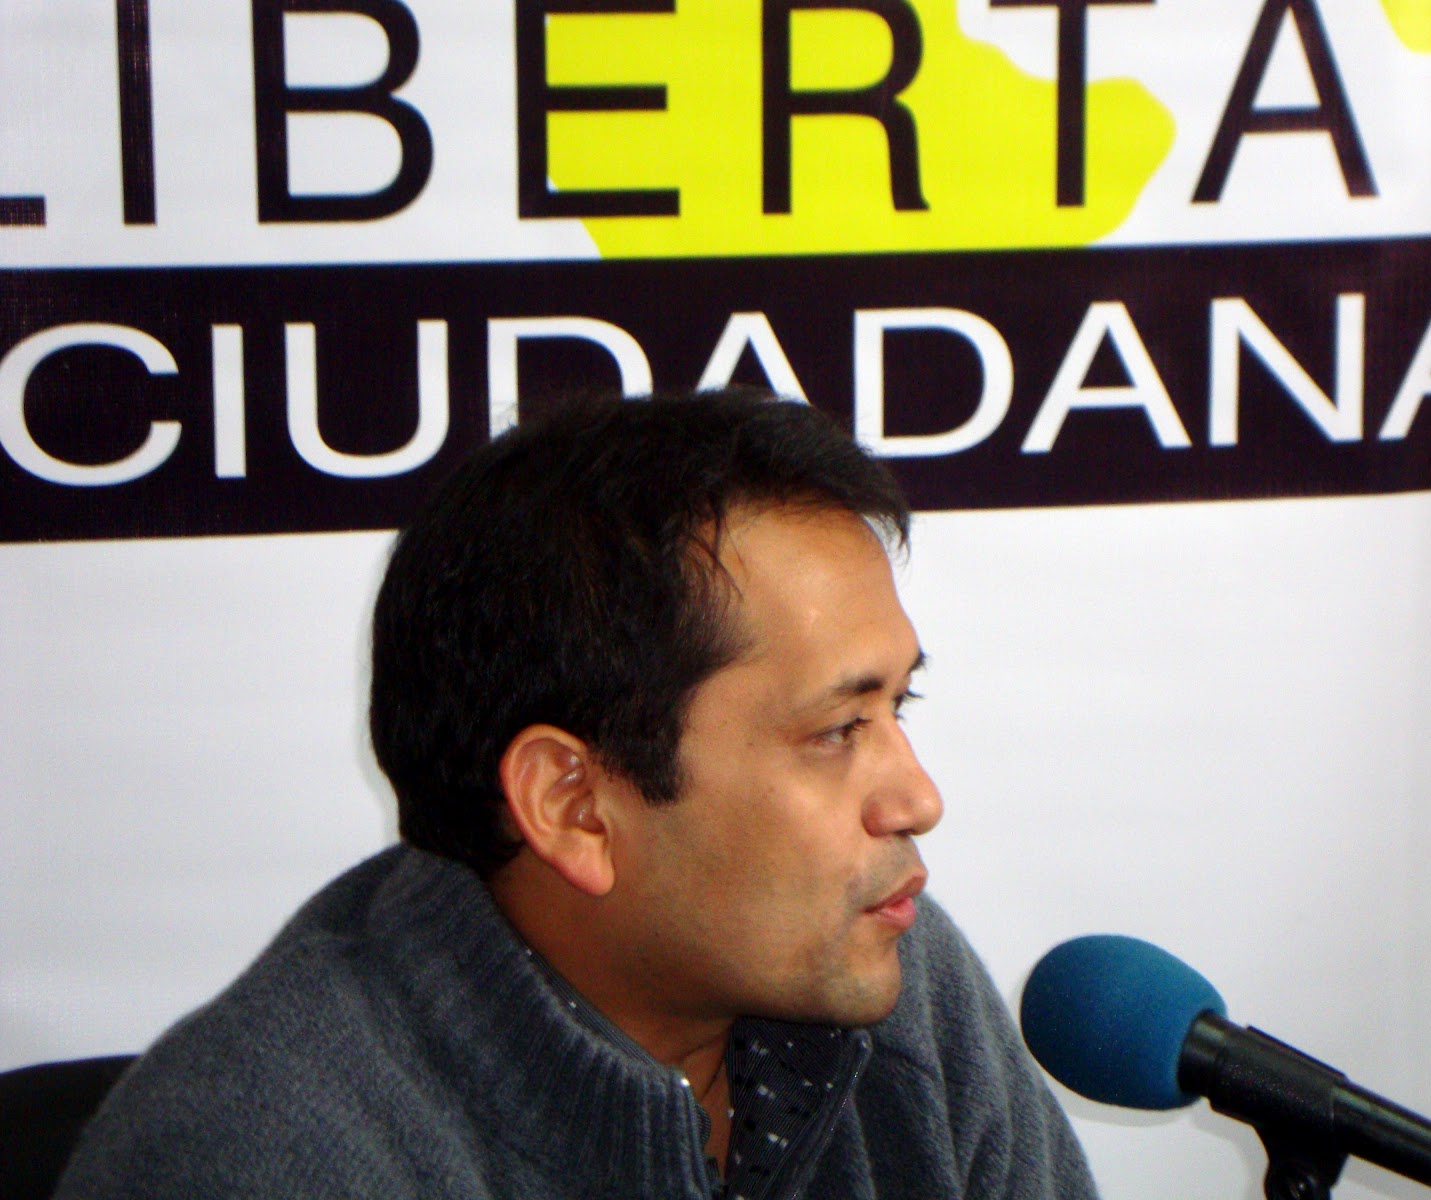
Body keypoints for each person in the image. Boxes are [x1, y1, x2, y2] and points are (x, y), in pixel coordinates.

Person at [56, 390, 1097, 1199]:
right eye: (835, 731)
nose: (917, 798)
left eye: (898, 707)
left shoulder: (894, 975)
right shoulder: (260, 1160)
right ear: (573, 807)